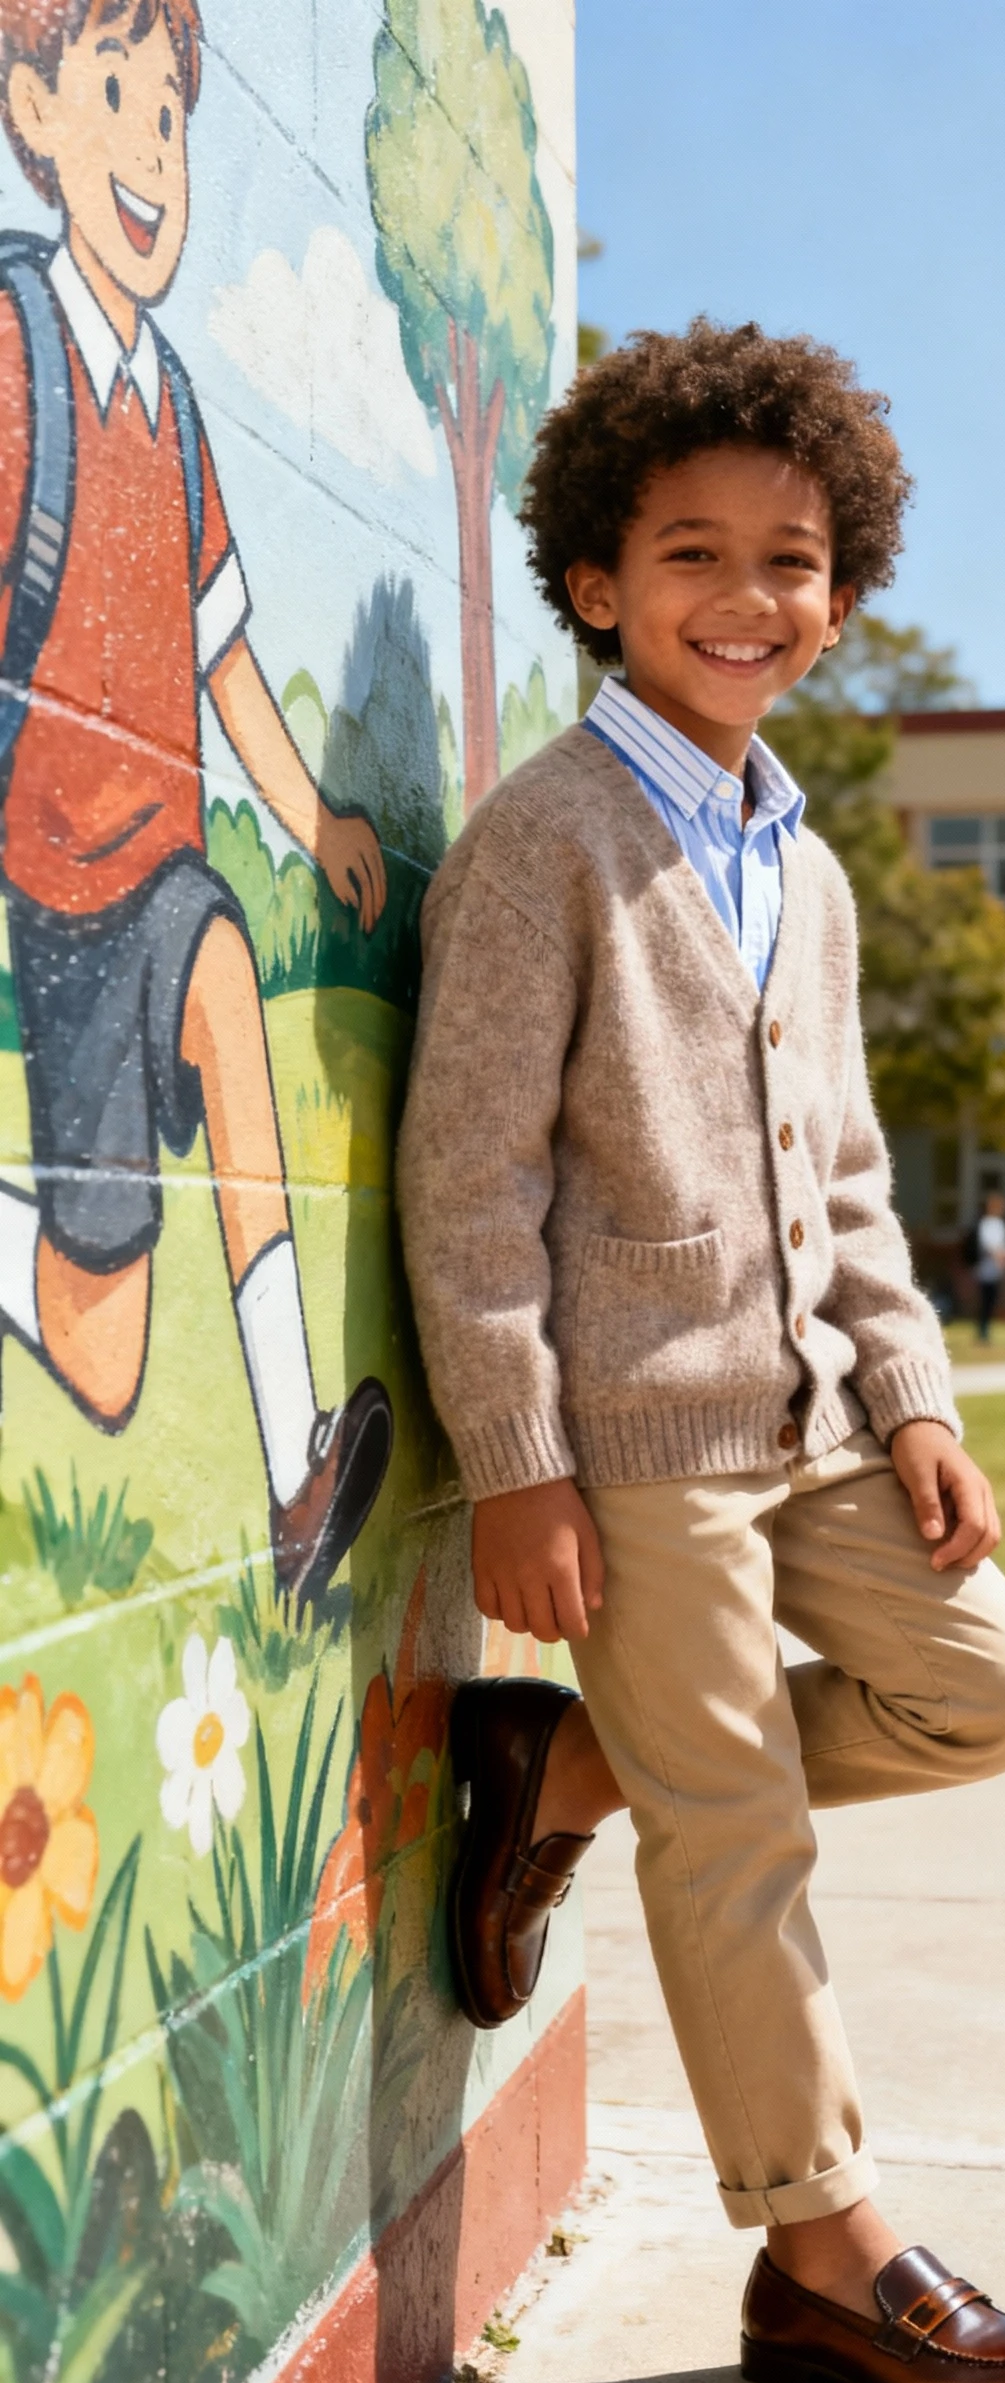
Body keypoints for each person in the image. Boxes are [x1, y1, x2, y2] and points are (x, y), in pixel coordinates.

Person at [399, 319, 1005, 2383]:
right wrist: (518, 1454)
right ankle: (824, 2252)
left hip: (810, 1424)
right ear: (598, 582)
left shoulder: (796, 865)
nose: (747, 598)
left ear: (845, 593)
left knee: (991, 1689)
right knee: (743, 1834)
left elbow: (855, 1171)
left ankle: (565, 1767)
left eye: (792, 560)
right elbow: (468, 1178)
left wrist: (920, 1399)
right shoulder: (548, 843)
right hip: (634, 1441)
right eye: (692, 553)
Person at [0, 0, 392, 1601]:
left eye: (171, 113)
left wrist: (318, 828)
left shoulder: (174, 407)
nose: (154, 152)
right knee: (100, 1359)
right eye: (115, 101)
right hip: (56, 885)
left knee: (230, 982)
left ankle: (303, 1469)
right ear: (34, 111)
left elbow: (228, 665)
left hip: (157, 867)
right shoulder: (18, 355)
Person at [972, 1186, 1005, 1344]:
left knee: (993, 1301)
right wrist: (998, 1255)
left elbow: (1004, 1244)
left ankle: (987, 1331)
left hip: (997, 1269)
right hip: (986, 1268)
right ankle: (982, 1332)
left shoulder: (1000, 1223)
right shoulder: (985, 1223)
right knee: (985, 1301)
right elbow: (987, 1245)